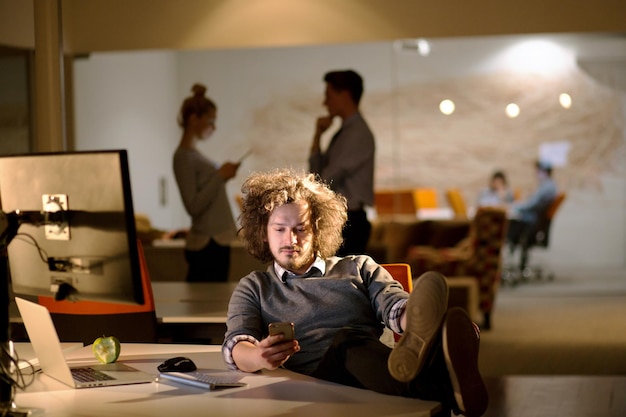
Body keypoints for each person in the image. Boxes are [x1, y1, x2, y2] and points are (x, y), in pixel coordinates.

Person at [222, 168, 488, 417]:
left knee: (357, 340)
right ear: (263, 233)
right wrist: (258, 356)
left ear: (318, 229)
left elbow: (394, 306)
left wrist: (416, 318)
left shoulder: (359, 266)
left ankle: (433, 351)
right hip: (311, 383)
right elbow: (236, 344)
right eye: (279, 229)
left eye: (300, 229)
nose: (290, 239)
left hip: (373, 373)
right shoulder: (254, 286)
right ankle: (445, 384)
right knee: (345, 342)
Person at [173, 83, 240, 282]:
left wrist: (222, 176)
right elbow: (193, 205)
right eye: (211, 121)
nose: (214, 127)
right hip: (207, 244)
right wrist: (220, 176)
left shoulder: (193, 155)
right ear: (194, 119)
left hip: (214, 241)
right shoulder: (183, 157)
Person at [309, 69, 375, 256]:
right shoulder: (346, 133)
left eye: (328, 95)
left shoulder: (356, 135)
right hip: (344, 219)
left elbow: (323, 182)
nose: (325, 102)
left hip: (349, 221)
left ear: (344, 95)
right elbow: (318, 177)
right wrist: (317, 136)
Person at [506, 160, 558, 269]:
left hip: (531, 223)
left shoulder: (547, 187)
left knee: (510, 224)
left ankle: (509, 257)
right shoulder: (547, 185)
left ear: (544, 172)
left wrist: (515, 207)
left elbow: (531, 205)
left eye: (538, 171)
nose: (536, 174)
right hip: (533, 220)